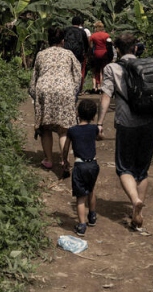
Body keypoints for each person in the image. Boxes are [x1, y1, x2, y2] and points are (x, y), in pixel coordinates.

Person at [95, 32, 153, 233]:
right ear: (136, 48)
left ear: (117, 49)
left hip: (126, 122)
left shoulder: (111, 68)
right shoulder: (149, 66)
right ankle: (138, 208)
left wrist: (100, 123)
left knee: (124, 167)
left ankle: (135, 200)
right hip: (148, 122)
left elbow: (106, 97)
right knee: (142, 169)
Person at [29, 26, 82, 178]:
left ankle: (49, 160)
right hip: (65, 90)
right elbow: (77, 75)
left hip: (44, 90)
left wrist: (35, 95)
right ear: (63, 41)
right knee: (64, 129)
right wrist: (73, 92)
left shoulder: (41, 54)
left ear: (48, 40)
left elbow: (34, 78)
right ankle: (64, 161)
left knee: (45, 128)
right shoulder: (68, 54)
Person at [64, 99, 101, 236]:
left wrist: (65, 161)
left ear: (77, 114)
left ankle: (81, 224)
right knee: (91, 190)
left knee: (80, 197)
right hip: (93, 164)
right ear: (93, 116)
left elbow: (66, 148)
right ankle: (92, 216)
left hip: (80, 165)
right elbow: (100, 136)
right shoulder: (94, 129)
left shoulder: (72, 131)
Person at [66, 16, 89, 94]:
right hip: (78, 54)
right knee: (78, 71)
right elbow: (86, 44)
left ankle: (68, 87)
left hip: (67, 53)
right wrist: (86, 53)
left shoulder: (66, 30)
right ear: (80, 23)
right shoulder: (82, 32)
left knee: (68, 70)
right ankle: (78, 89)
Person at [88, 21, 113, 93]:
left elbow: (91, 46)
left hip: (96, 53)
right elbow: (109, 44)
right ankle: (102, 87)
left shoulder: (93, 36)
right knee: (103, 70)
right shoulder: (106, 35)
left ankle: (97, 86)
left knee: (97, 70)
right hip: (104, 53)